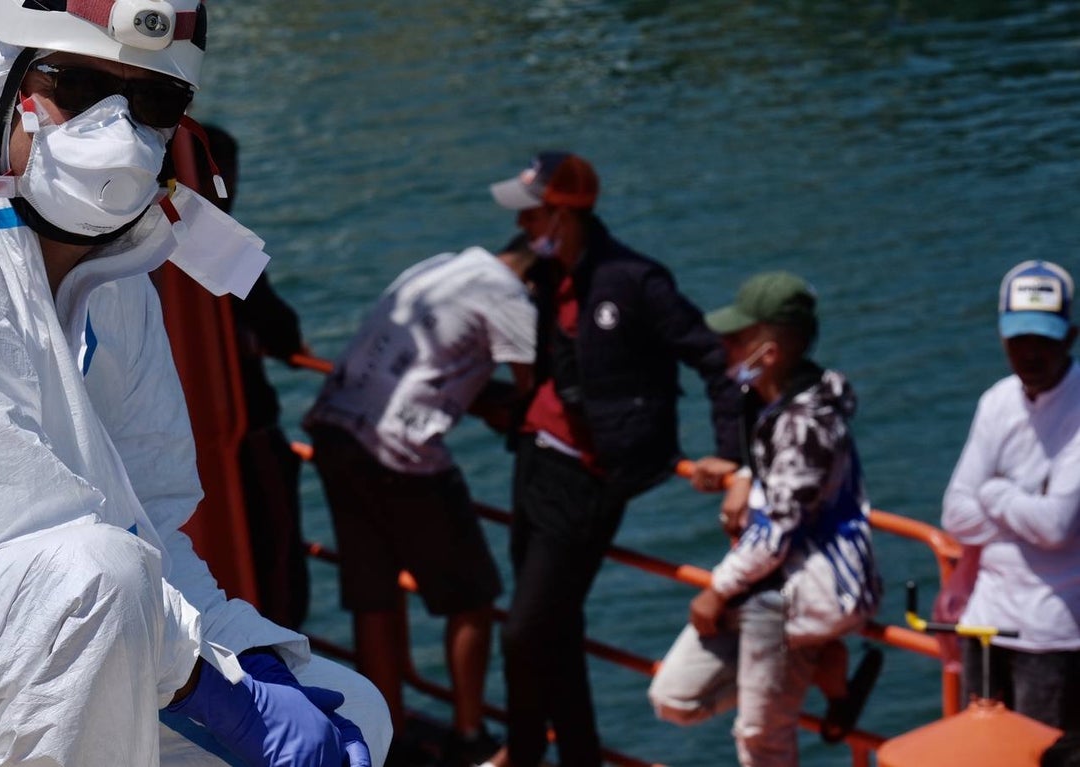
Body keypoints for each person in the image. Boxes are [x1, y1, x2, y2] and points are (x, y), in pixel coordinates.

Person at [0, 1, 392, 764]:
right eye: (75, 86)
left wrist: (254, 661)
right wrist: (220, 689)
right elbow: (39, 544)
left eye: (151, 100)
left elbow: (153, 530)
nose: (116, 129)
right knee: (95, 581)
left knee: (356, 709)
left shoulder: (118, 283)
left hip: (63, 633)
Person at [487, 151, 742, 767]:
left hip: (590, 476)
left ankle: (523, 755)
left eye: (531, 215)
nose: (521, 227)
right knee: (555, 626)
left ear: (564, 215)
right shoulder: (544, 274)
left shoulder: (635, 281)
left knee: (525, 630)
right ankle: (579, 755)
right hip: (536, 462)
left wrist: (732, 457)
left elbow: (721, 364)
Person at [303, 236, 538, 766]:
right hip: (397, 449)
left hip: (336, 428)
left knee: (375, 596)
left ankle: (386, 735)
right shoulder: (511, 295)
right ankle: (470, 735)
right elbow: (534, 388)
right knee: (472, 599)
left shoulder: (438, 267)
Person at [647, 271, 882, 766]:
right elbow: (777, 485)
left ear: (769, 352)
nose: (725, 352)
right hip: (766, 585)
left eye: (735, 341)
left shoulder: (806, 424)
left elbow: (775, 529)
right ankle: (820, 659)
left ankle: (811, 655)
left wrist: (715, 590)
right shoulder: (769, 404)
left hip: (793, 593)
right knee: (673, 698)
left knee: (759, 736)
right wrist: (741, 475)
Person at [940, 260, 1080, 731]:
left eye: (1044, 340)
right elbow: (955, 514)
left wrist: (994, 492)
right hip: (985, 626)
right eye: (1019, 340)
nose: (1030, 353)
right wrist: (1024, 504)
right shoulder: (997, 402)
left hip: (1056, 636)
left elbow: (1057, 527)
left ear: (1071, 337)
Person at [199, 123, 312, 631]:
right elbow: (281, 328)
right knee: (276, 559)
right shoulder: (218, 242)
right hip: (244, 433)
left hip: (198, 430)